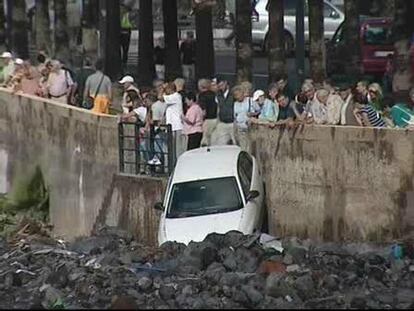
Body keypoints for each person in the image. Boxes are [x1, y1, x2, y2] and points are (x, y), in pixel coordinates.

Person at [163, 82, 185, 164]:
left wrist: (162, 89)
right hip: (171, 127)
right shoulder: (171, 97)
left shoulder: (176, 96)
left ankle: (179, 165)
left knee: (178, 150)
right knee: (171, 149)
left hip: (177, 126)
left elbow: (161, 97)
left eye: (167, 89)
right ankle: (172, 166)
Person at [213, 78, 236, 145]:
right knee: (221, 144)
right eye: (219, 86)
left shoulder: (233, 94)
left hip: (232, 123)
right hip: (222, 122)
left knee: (235, 143)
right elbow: (218, 108)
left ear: (226, 83)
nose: (221, 87)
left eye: (222, 85)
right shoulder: (218, 95)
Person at [198, 79, 218, 146]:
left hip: (207, 120)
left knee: (205, 140)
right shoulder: (214, 94)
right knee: (213, 139)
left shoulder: (202, 96)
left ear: (200, 86)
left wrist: (201, 120)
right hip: (215, 119)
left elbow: (203, 110)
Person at [233, 85, 251, 150]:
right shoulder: (235, 104)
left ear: (242, 93)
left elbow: (258, 110)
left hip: (249, 127)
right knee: (243, 147)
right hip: (240, 128)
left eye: (238, 94)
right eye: (236, 95)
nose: (237, 96)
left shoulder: (250, 101)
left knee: (249, 147)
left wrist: (253, 114)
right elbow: (235, 117)